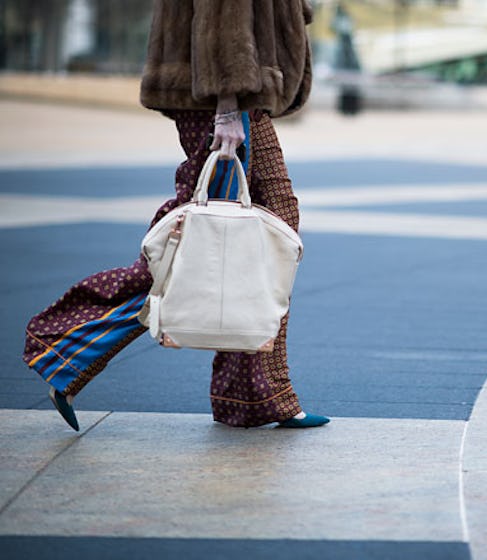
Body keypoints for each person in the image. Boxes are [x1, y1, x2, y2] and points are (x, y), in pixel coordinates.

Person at [22, 0, 328, 431]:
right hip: (224, 98)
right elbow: (225, 19)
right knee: (218, 238)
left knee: (250, 233)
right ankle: (66, 343)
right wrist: (228, 105)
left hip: (228, 95)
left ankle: (253, 395)